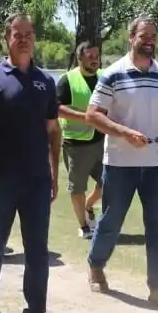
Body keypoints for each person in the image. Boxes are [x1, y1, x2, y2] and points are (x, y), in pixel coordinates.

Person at [0, 13, 62, 313]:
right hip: (4, 178)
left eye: (28, 34)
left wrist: (54, 169)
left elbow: (53, 130)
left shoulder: (45, 82)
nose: (23, 39)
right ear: (6, 38)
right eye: (16, 34)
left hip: (37, 179)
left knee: (37, 250)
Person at [84, 16, 158, 311]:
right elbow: (93, 115)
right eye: (144, 35)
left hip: (155, 164)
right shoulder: (113, 74)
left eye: (154, 35)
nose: (150, 40)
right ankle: (96, 264)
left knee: (157, 227)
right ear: (131, 37)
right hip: (120, 164)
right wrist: (125, 133)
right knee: (111, 221)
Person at [56, 41, 105, 239]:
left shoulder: (104, 77)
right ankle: (84, 226)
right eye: (90, 56)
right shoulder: (67, 80)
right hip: (76, 145)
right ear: (80, 58)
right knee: (78, 188)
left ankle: (88, 206)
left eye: (97, 56)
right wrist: (85, 117)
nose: (95, 60)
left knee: (108, 183)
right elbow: (56, 108)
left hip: (102, 142)